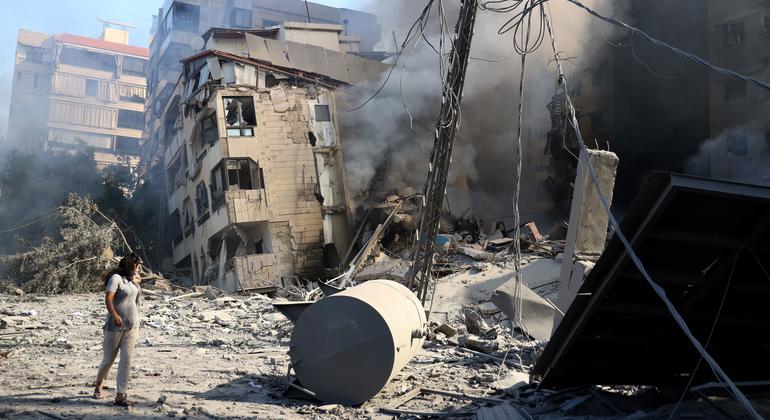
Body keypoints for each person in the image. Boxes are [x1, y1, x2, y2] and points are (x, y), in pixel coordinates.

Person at [93, 253, 143, 406]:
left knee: (126, 360)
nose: (140, 268)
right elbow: (108, 300)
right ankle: (98, 385)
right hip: (114, 326)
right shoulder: (116, 279)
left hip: (132, 326)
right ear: (131, 265)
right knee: (108, 360)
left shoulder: (132, 280)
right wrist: (114, 315)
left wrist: (137, 282)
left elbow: (136, 299)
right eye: (138, 266)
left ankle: (120, 394)